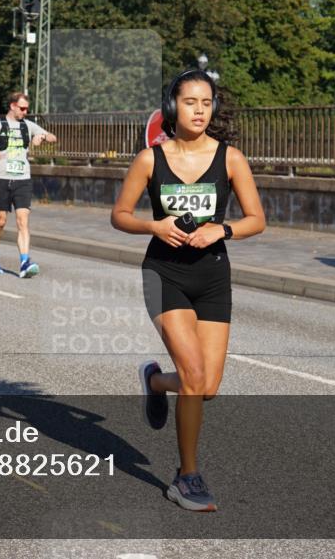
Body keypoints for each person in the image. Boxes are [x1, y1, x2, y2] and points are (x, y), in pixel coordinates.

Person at [111, 69, 265, 512]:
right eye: (189, 101)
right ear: (172, 106)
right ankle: (187, 476)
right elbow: (119, 214)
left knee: (208, 386)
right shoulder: (150, 159)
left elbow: (257, 218)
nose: (198, 110)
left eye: (205, 102)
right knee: (195, 377)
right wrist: (152, 225)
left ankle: (156, 382)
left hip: (213, 277)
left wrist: (224, 229)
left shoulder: (230, 158)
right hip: (165, 274)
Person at [0, 91, 57, 277]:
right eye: (22, 108)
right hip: (1, 178)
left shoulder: (28, 125)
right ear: (13, 106)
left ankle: (24, 262)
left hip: (23, 179)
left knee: (23, 221)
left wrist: (42, 137)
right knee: (0, 220)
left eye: (27, 109)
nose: (25, 112)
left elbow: (52, 137)